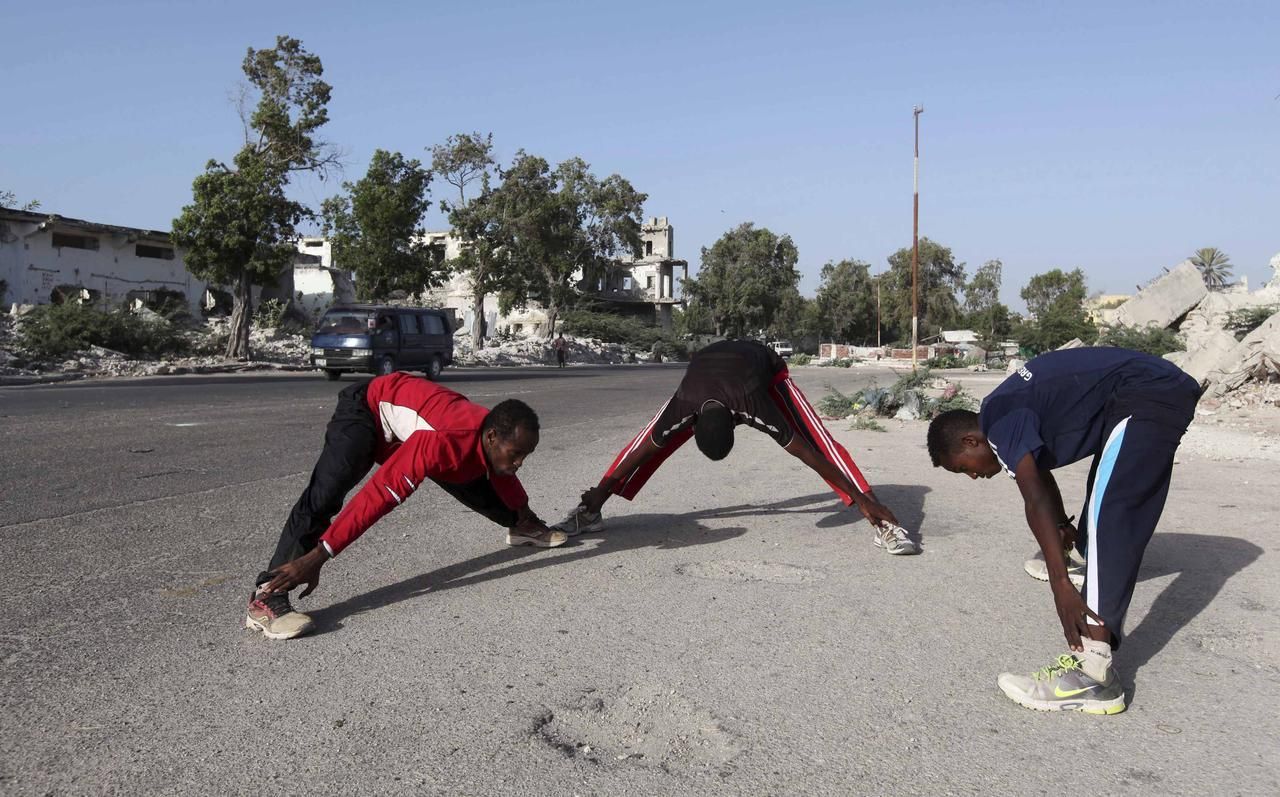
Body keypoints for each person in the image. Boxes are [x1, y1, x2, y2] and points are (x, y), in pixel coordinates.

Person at [926, 347, 1200, 714]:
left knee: (1111, 517)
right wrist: (1059, 527)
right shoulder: (1003, 413)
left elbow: (1033, 495)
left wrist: (1061, 585)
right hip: (1142, 393)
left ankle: (1093, 673)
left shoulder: (1001, 422)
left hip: (1146, 392)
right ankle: (1088, 564)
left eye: (963, 468)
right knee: (1094, 526)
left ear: (969, 442)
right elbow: (1039, 474)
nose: (973, 475)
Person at [245, 372, 566, 640]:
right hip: (365, 411)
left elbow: (504, 474)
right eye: (516, 453)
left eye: (526, 455)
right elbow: (379, 497)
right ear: (493, 437)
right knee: (324, 496)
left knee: (482, 477)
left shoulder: (489, 438)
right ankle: (266, 596)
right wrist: (318, 556)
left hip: (413, 433)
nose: (520, 462)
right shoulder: (444, 441)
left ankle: (521, 526)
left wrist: (523, 512)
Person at [556, 339, 917, 554]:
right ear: (693, 422)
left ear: (738, 420)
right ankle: (590, 511)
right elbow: (641, 449)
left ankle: (880, 522)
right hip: (705, 369)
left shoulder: (754, 403)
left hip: (760, 366)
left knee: (817, 438)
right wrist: (599, 491)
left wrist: (863, 498)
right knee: (651, 439)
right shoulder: (685, 402)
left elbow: (809, 454)